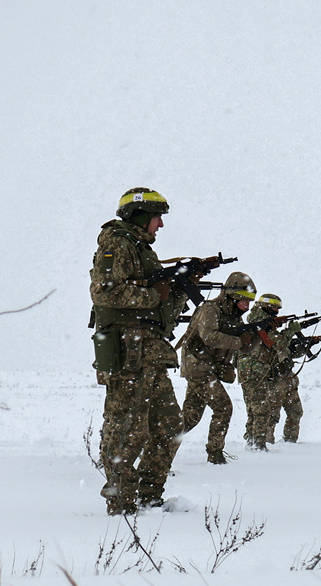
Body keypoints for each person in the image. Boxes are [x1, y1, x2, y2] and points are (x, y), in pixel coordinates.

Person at [89, 187, 189, 515]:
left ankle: (149, 493)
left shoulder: (141, 249)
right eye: (157, 217)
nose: (160, 224)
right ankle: (121, 500)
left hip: (151, 354)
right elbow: (105, 293)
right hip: (129, 355)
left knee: (170, 425)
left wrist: (179, 290)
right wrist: (154, 294)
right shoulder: (117, 243)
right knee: (127, 428)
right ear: (141, 216)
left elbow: (160, 310)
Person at [178, 271, 258, 464]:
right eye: (245, 299)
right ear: (232, 296)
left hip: (206, 369)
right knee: (223, 407)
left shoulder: (234, 318)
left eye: (251, 301)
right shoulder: (210, 310)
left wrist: (256, 335)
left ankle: (155, 452)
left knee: (189, 418)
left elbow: (244, 347)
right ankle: (215, 454)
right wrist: (238, 342)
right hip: (198, 367)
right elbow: (209, 337)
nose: (247, 305)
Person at [236, 294, 305, 450]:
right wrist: (289, 332)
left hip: (253, 371)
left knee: (255, 410)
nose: (276, 311)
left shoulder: (259, 322)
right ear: (265, 306)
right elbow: (277, 344)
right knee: (261, 410)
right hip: (255, 370)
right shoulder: (260, 324)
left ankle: (252, 441)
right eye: (274, 308)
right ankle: (258, 445)